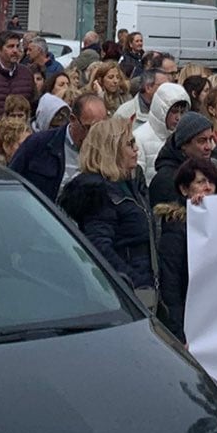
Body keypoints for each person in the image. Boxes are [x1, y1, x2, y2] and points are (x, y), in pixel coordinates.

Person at [59, 118, 156, 303]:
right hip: (127, 295)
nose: (136, 149)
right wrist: (134, 283)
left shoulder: (131, 183)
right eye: (130, 144)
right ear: (112, 150)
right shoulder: (98, 193)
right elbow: (100, 247)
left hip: (144, 286)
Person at [154, 154, 217, 340]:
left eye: (211, 182)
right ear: (184, 189)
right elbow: (171, 287)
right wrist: (179, 334)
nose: (208, 187)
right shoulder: (175, 228)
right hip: (193, 322)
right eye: (201, 182)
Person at [11, 92, 107, 202]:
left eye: (100, 129)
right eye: (88, 128)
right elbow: (11, 181)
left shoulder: (107, 152)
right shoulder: (39, 144)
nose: (93, 135)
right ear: (72, 119)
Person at [151, 110, 217, 206]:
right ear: (184, 144)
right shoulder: (166, 180)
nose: (208, 147)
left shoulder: (214, 168)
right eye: (202, 141)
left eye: (210, 139)